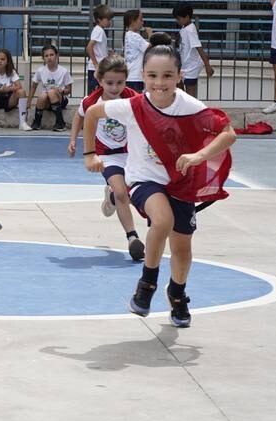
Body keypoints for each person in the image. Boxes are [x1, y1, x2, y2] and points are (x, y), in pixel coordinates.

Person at [82, 40, 236, 328]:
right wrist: (90, 154)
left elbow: (227, 133)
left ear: (179, 76)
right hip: (144, 180)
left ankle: (176, 294)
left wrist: (198, 155)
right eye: (152, 75)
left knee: (182, 248)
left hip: (180, 182)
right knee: (161, 221)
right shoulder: (133, 106)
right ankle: (147, 284)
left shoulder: (190, 106)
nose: (159, 82)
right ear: (143, 75)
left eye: (167, 76)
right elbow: (91, 114)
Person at [69, 55, 145, 261]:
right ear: (99, 80)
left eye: (119, 82)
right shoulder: (91, 101)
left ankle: (110, 198)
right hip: (106, 155)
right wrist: (73, 140)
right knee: (122, 194)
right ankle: (132, 238)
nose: (114, 87)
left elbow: (145, 122)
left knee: (131, 193)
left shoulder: (132, 98)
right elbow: (79, 116)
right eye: (109, 83)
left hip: (130, 153)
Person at [29, 44, 73, 131]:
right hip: (47, 101)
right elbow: (33, 87)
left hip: (60, 99)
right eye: (46, 56)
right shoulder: (40, 70)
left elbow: (69, 90)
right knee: (43, 95)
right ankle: (37, 122)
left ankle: (60, 123)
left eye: (51, 55)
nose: (49, 57)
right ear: (43, 58)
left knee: (51, 92)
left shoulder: (63, 71)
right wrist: (28, 102)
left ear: (57, 55)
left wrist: (61, 90)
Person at [173, 3, 213, 96]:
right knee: (179, 88)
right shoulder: (184, 27)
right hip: (185, 65)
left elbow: (199, 47)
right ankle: (185, 107)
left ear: (186, 17)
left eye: (179, 19)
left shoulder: (190, 29)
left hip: (191, 66)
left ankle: (192, 109)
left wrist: (207, 65)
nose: (177, 21)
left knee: (191, 93)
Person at [85, 3, 112, 93]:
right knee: (95, 93)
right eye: (107, 19)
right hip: (96, 68)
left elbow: (97, 48)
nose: (109, 21)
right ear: (99, 19)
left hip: (99, 67)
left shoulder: (99, 30)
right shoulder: (99, 31)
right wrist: (96, 64)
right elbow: (89, 47)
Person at [122, 9, 148, 93]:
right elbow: (149, 48)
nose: (142, 22)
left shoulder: (128, 35)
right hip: (136, 76)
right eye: (140, 19)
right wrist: (150, 34)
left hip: (130, 75)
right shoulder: (135, 36)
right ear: (133, 21)